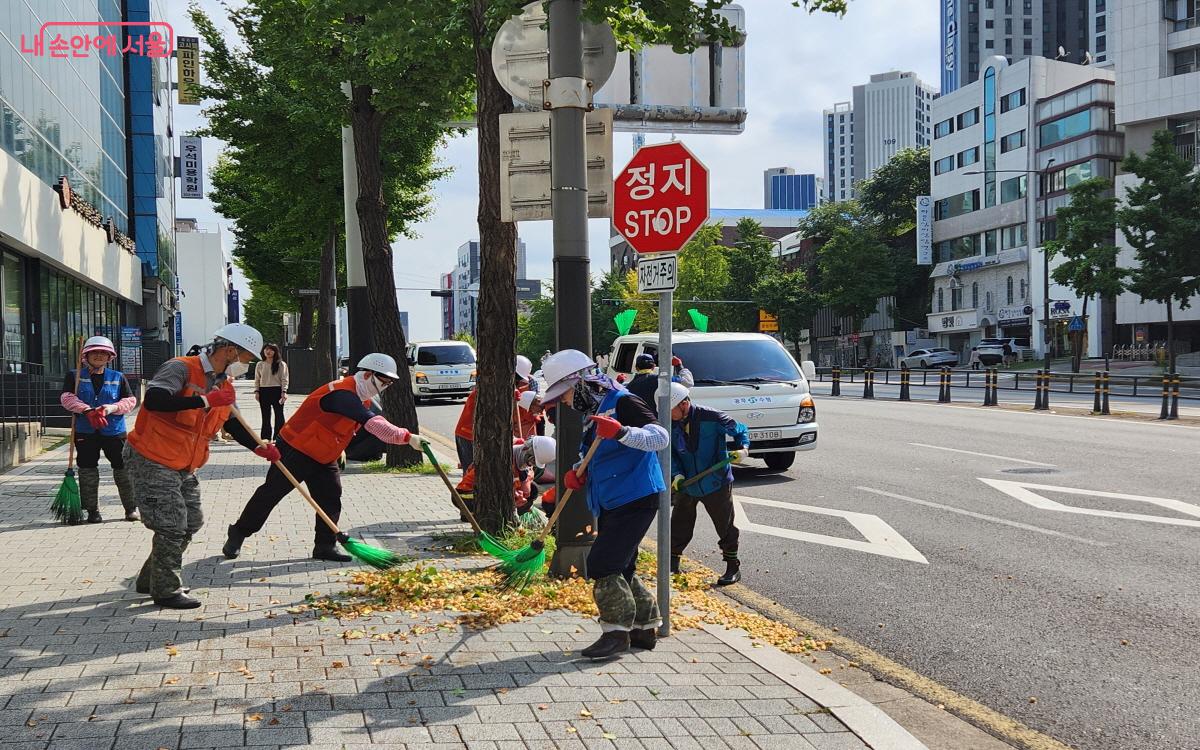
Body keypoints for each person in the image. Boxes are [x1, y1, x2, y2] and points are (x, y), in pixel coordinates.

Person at [125, 323, 277, 609]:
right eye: (245, 357)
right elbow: (155, 401)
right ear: (230, 350)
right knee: (172, 524)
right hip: (152, 455)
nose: (245, 364)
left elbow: (233, 422)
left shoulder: (225, 385)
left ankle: (151, 579)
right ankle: (167, 590)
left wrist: (259, 447)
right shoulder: (180, 368)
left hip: (184, 462)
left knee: (191, 521)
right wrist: (205, 399)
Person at [223, 353, 427, 563]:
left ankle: (325, 546)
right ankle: (238, 532)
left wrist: (341, 449)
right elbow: (372, 424)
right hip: (296, 449)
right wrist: (407, 437)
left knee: (330, 498)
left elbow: (340, 426)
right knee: (271, 494)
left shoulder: (361, 398)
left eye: (388, 384)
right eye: (383, 382)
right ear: (367, 375)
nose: (383, 388)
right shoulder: (342, 393)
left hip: (324, 454)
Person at [540, 348, 669, 660]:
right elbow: (590, 451)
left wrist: (622, 431)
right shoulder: (594, 411)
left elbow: (659, 437)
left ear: (582, 382)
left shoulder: (624, 401)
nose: (565, 403)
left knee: (601, 563)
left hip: (636, 495)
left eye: (566, 395)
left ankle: (615, 633)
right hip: (611, 498)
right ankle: (643, 627)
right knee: (622, 563)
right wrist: (577, 471)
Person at [666, 383, 749, 586]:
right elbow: (670, 454)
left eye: (670, 410)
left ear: (683, 404)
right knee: (679, 523)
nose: (667, 415)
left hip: (716, 481)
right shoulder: (669, 424)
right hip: (687, 482)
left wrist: (743, 449)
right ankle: (672, 564)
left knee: (725, 525)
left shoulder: (713, 418)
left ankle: (732, 567)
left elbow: (740, 430)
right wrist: (676, 475)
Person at [59, 336, 139, 524]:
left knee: (123, 467)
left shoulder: (118, 377)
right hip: (85, 431)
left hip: (114, 430)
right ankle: (92, 511)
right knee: (87, 469)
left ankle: (131, 508)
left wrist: (110, 408)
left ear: (109, 356)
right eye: (94, 352)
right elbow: (66, 398)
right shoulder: (75, 375)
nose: (99, 356)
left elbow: (130, 401)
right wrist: (86, 410)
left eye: (103, 353)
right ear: (86, 355)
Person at [454, 356, 536, 469]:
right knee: (472, 472)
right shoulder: (490, 388)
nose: (517, 384)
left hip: (481, 436)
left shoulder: (504, 389)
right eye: (517, 380)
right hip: (469, 435)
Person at [454, 435, 555, 514]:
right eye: (531, 460)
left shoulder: (518, 452)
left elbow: (526, 475)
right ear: (526, 450)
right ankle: (483, 520)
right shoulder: (500, 461)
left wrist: (525, 486)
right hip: (466, 495)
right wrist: (514, 495)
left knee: (532, 491)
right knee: (507, 501)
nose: (530, 464)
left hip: (491, 489)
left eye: (533, 462)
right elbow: (496, 488)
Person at [625, 352, 694, 415]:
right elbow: (688, 382)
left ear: (637, 368)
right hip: (661, 423)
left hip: (638, 425)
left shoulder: (629, 387)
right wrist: (679, 365)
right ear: (653, 366)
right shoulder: (662, 381)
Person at [254, 343, 289, 441]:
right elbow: (257, 379)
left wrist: (284, 391)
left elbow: (284, 379)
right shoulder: (260, 364)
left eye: (270, 350)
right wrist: (257, 391)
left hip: (277, 390)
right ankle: (265, 437)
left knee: (279, 415)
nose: (268, 352)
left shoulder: (281, 364)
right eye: (266, 349)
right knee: (265, 415)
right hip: (263, 391)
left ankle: (279, 437)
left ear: (275, 351)